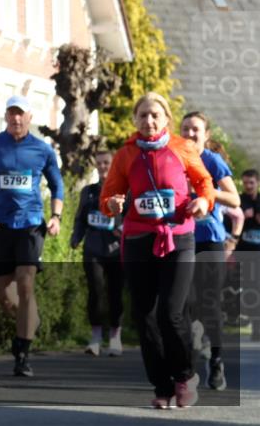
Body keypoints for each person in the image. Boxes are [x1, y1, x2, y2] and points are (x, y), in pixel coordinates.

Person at [100, 92, 214, 409]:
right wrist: (111, 204)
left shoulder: (183, 148)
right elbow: (108, 195)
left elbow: (204, 182)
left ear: (165, 118)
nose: (149, 121)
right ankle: (161, 385)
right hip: (138, 240)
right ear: (135, 120)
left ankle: (185, 375)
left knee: (171, 313)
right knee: (145, 317)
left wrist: (203, 201)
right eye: (143, 115)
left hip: (179, 237)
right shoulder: (125, 154)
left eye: (155, 115)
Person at [0, 95, 65, 377]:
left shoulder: (42, 150)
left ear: (29, 117)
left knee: (25, 285)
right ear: (6, 116)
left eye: (20, 114)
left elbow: (57, 186)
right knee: (5, 295)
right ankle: (30, 320)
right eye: (11, 113)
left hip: (31, 225)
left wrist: (56, 217)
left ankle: (22, 354)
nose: (16, 119)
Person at [180, 111, 241, 391]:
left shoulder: (212, 161)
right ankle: (187, 360)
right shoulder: (174, 159)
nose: (190, 135)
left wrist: (206, 191)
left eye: (196, 130)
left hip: (209, 240)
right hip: (180, 237)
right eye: (186, 130)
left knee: (209, 303)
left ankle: (216, 359)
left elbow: (235, 199)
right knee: (183, 301)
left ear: (206, 135)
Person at [70, 149, 124, 357]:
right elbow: (80, 218)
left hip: (116, 250)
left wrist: (124, 229)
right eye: (99, 163)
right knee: (96, 290)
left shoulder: (123, 190)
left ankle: (115, 336)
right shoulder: (89, 191)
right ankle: (95, 337)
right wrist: (76, 237)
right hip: (93, 248)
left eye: (107, 163)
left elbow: (131, 217)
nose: (103, 166)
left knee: (115, 293)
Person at [238, 169, 260, 341]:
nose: (248, 186)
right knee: (252, 291)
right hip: (246, 253)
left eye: (251, 182)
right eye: (245, 183)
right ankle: (255, 327)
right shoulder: (239, 200)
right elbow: (232, 221)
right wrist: (243, 217)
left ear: (257, 183)